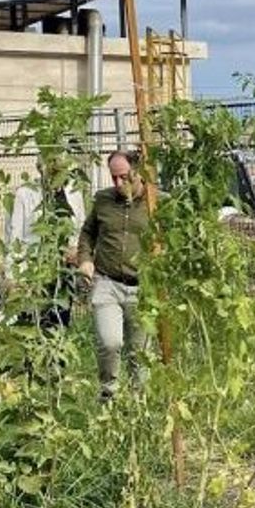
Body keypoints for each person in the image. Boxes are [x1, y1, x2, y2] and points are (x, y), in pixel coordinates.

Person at [77, 150, 151, 400]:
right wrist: (85, 260)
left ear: (137, 172)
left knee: (139, 352)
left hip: (142, 286)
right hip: (107, 282)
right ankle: (108, 396)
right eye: (114, 178)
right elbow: (87, 233)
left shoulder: (156, 201)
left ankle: (139, 405)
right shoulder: (103, 201)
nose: (119, 183)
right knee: (110, 342)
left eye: (124, 177)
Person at [4, 157, 86, 328]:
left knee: (59, 321)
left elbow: (80, 228)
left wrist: (76, 251)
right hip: (33, 271)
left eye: (59, 172)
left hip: (63, 270)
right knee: (32, 321)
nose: (54, 177)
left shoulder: (74, 193)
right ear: (40, 171)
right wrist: (13, 276)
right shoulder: (25, 194)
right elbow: (15, 237)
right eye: (50, 172)